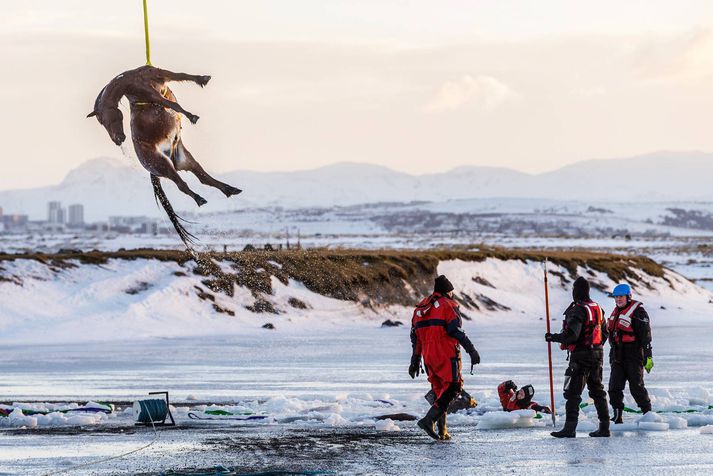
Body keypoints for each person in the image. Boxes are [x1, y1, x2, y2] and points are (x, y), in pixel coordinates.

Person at [409, 275, 480, 440]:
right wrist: (472, 350)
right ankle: (428, 420)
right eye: (451, 291)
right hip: (446, 353)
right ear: (448, 291)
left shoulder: (420, 308)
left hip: (428, 356)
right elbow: (456, 331)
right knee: (454, 387)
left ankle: (443, 431)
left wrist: (415, 360)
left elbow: (416, 337)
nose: (453, 294)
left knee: (440, 390)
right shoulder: (449, 305)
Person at [545, 276, 610, 438]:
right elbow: (605, 332)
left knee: (573, 394)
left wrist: (553, 337)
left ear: (576, 291)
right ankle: (604, 427)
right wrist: (596, 346)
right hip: (597, 355)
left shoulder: (579, 309)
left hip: (581, 357)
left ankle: (569, 429)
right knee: (597, 391)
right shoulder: (597, 308)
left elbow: (572, 335)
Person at [606, 283, 653, 423]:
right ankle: (617, 415)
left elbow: (646, 337)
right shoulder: (615, 312)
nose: (618, 299)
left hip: (633, 355)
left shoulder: (639, 313)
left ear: (628, 297)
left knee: (636, 386)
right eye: (616, 297)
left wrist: (648, 357)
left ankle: (648, 413)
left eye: (620, 297)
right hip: (617, 355)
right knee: (614, 387)